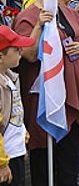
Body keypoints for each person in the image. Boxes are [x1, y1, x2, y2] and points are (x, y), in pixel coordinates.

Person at [13, 0, 79, 186]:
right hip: (45, 98)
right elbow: (27, 55)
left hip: (72, 94)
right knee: (44, 162)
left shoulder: (68, 12)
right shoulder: (28, 17)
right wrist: (39, 26)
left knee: (69, 161)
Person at [0, 26, 35, 186]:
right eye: (17, 50)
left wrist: (23, 140)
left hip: (15, 151)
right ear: (1, 56)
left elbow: (16, 113)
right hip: (4, 156)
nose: (21, 52)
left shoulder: (10, 77)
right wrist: (2, 163)